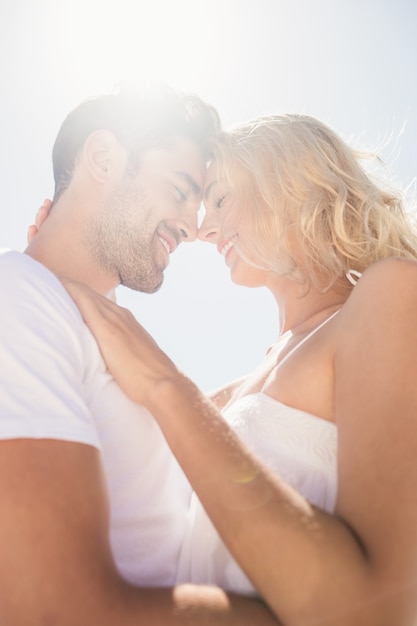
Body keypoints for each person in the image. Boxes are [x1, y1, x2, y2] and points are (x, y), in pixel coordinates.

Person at [63, 113, 417, 626]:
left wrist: (167, 387)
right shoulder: (233, 394)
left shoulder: (390, 294)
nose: (204, 229)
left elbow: (380, 611)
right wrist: (65, 276)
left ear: (290, 180)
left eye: (222, 199)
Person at [0, 87, 279, 625]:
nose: (194, 228)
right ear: (103, 159)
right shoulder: (17, 295)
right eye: (179, 190)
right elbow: (52, 608)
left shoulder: (102, 332)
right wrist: (307, 609)